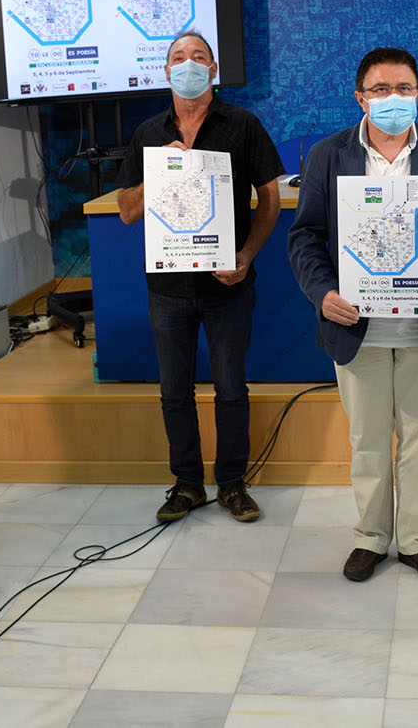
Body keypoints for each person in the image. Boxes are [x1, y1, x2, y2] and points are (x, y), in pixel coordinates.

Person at [288, 47, 418, 584]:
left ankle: (417, 542)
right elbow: (304, 235)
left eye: (403, 89)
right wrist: (321, 293)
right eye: (380, 90)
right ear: (360, 97)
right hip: (356, 325)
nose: (392, 98)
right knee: (368, 441)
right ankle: (371, 539)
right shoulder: (329, 155)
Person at [117, 30, 283, 523]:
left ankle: (232, 483)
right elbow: (127, 211)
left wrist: (248, 254)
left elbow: (270, 198)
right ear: (165, 71)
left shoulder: (243, 124)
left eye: (198, 57)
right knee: (174, 391)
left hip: (227, 285)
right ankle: (187, 484)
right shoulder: (148, 132)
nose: (187, 64)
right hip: (168, 288)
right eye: (177, 58)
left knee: (232, 387)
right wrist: (163, 170)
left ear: (213, 71)